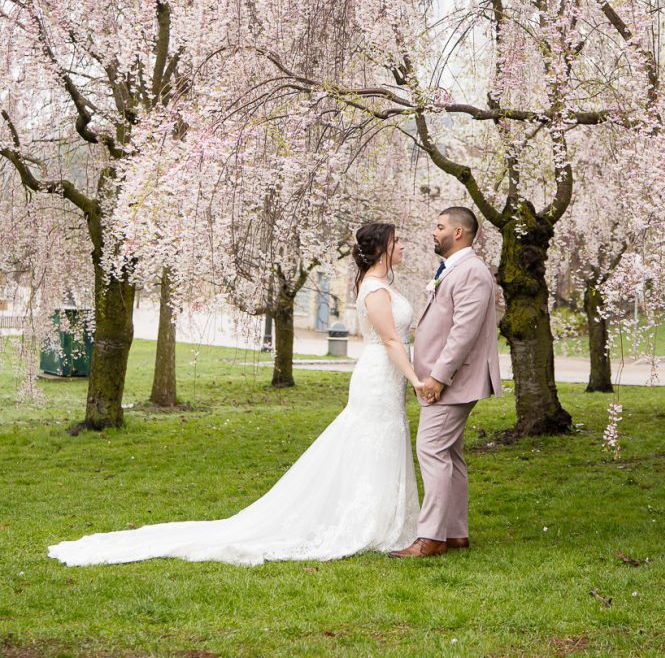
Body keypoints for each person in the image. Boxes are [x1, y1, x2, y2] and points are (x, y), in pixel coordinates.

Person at [48, 222, 422, 567]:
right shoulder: (374, 290)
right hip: (378, 377)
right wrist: (417, 380)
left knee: (382, 440)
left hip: (388, 377)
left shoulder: (382, 286)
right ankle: (365, 522)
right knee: (372, 440)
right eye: (398, 241)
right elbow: (391, 339)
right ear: (381, 249)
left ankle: (381, 518)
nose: (403, 245)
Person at [390, 206, 502, 559]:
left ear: (458, 233)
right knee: (449, 454)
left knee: (432, 449)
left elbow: (463, 332)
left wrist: (439, 377)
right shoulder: (455, 268)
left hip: (455, 379)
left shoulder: (472, 271)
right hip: (451, 378)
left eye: (439, 226)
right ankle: (454, 533)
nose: (433, 232)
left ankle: (431, 537)